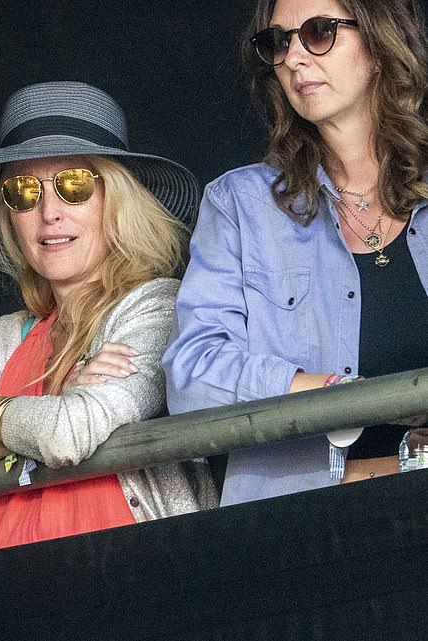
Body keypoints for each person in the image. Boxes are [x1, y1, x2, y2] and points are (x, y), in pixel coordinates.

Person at [0, 81, 216, 554]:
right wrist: (50, 403)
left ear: (116, 198)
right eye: (23, 191)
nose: (48, 212)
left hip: (132, 583)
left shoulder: (160, 307)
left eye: (74, 185)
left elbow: (65, 435)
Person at [163, 0, 428, 505]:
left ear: (379, 43)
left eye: (319, 32)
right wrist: (341, 393)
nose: (294, 58)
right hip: (301, 533)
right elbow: (192, 374)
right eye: (278, 42)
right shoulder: (240, 204)